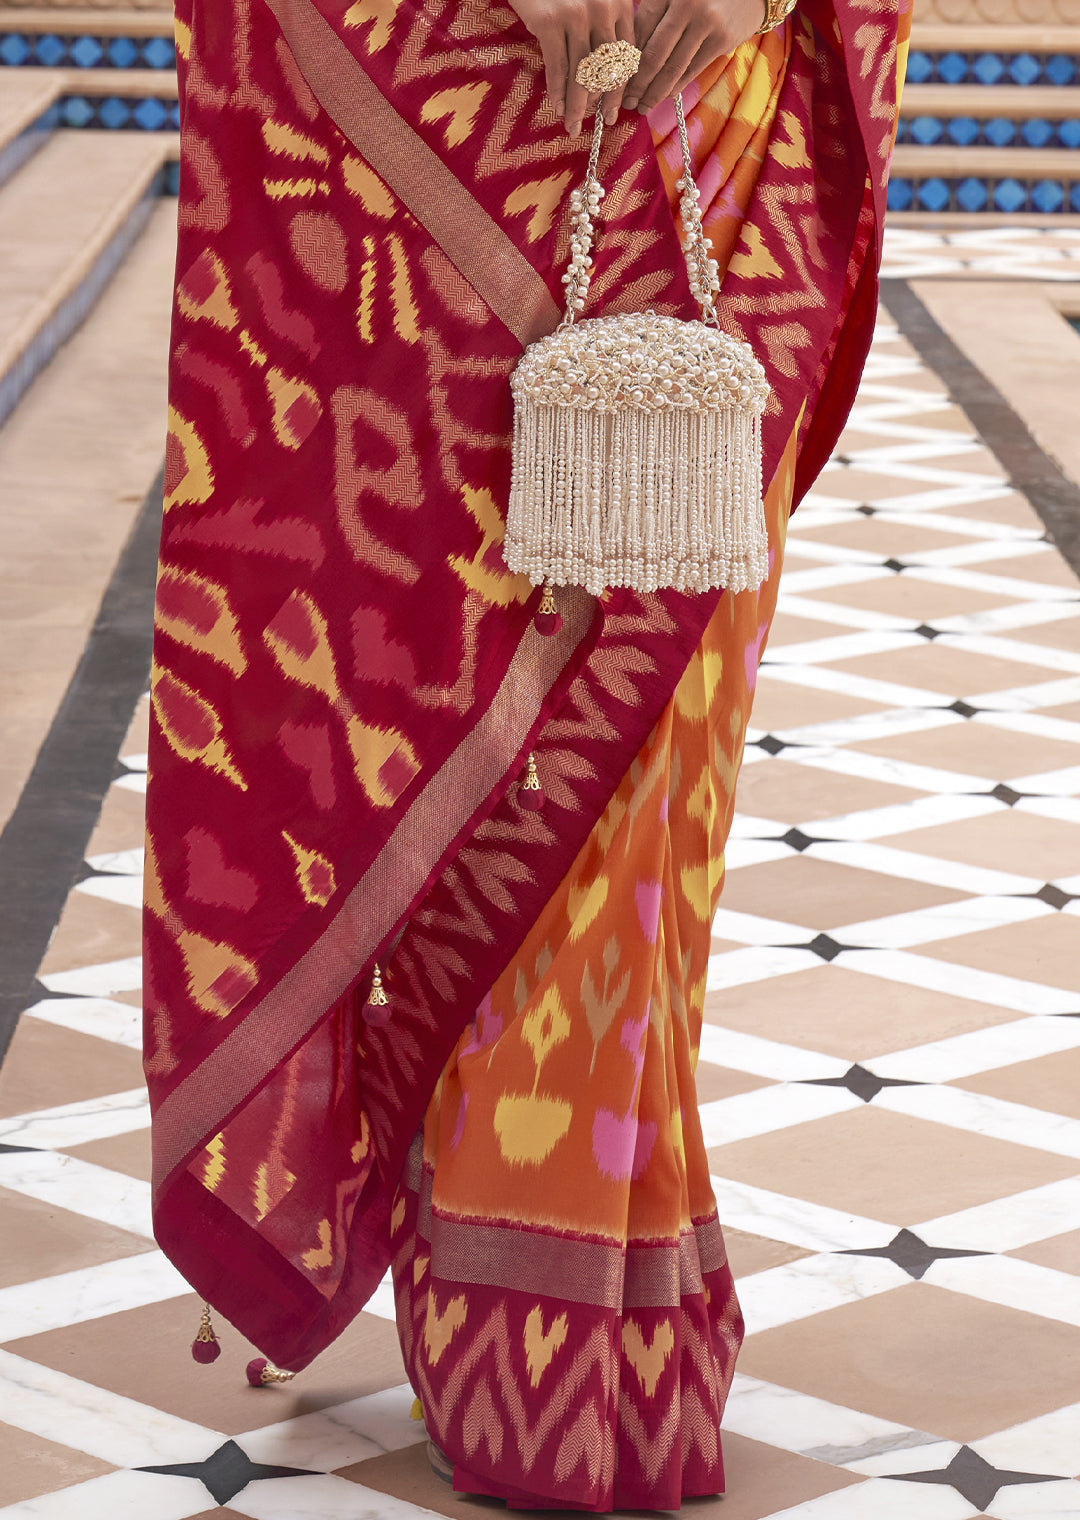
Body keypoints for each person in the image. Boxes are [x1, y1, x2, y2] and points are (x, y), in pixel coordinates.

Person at [144, 0, 908, 1507]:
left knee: (648, 701)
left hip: (718, 61)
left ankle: (568, 1274)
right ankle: (510, 1277)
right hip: (443, 40)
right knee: (438, 640)